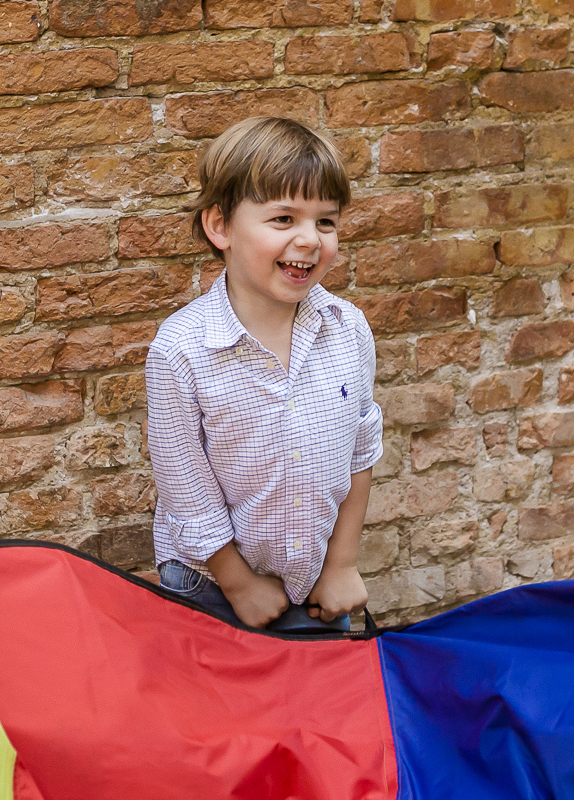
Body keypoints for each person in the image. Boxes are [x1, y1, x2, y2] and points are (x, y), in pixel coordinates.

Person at [145, 117, 383, 632]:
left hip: (318, 587)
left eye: (326, 222)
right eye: (283, 219)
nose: (310, 239)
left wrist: (341, 564)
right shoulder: (182, 349)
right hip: (212, 587)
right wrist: (238, 584)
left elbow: (362, 450)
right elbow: (184, 486)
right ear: (221, 227)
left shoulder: (348, 330)